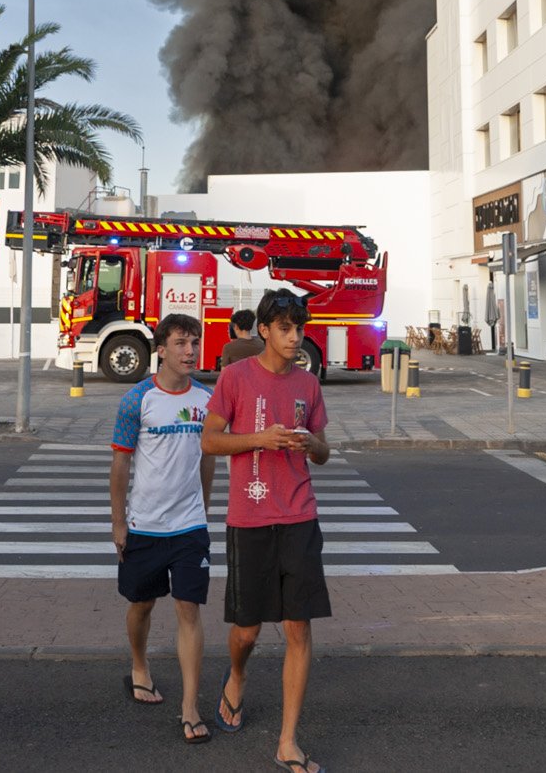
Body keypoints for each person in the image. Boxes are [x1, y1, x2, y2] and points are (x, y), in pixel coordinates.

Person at [202, 289, 332, 773]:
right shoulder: (235, 377)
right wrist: (260, 438)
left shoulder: (309, 385)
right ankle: (236, 676)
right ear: (264, 330)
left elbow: (323, 453)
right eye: (285, 328)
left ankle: (287, 741)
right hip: (250, 518)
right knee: (248, 631)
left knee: (299, 627)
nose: (295, 338)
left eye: (299, 329)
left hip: (299, 515)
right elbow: (210, 439)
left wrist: (312, 443)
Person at [112, 311, 218, 744]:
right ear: (161, 349)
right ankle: (139, 665)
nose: (190, 350)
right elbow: (121, 461)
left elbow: (209, 456)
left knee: (189, 609)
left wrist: (204, 509)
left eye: (194, 342)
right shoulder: (137, 399)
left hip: (189, 525)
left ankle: (190, 707)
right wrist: (119, 521)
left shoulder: (208, 400)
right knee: (141, 604)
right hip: (144, 524)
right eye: (180, 343)